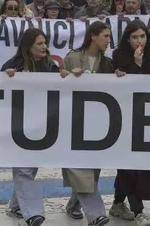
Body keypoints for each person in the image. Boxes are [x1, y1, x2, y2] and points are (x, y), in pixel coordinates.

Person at [2, 28, 59, 226]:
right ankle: (32, 213)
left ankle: (16, 205)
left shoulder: (50, 66)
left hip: (41, 125)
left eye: (45, 42)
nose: (44, 46)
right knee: (24, 169)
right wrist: (5, 76)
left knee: (30, 168)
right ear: (28, 46)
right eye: (40, 43)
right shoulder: (13, 65)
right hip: (17, 124)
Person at [111, 20, 150, 226]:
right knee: (127, 166)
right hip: (124, 117)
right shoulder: (119, 56)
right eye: (134, 37)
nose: (138, 41)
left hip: (147, 118)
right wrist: (129, 67)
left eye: (142, 37)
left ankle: (117, 203)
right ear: (128, 39)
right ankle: (139, 211)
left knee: (140, 166)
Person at [60, 22, 112, 226]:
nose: (108, 40)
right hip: (74, 121)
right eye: (105, 36)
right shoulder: (72, 58)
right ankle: (96, 215)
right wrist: (67, 76)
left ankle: (74, 205)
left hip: (98, 123)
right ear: (93, 36)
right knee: (79, 169)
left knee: (92, 171)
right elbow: (57, 86)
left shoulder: (107, 63)